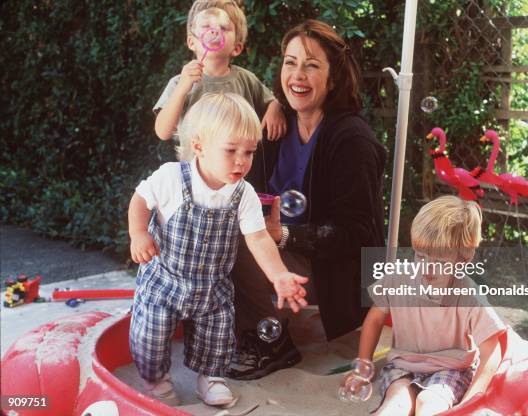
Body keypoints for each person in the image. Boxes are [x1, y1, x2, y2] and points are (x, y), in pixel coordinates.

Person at [228, 19, 386, 380]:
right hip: (294, 258)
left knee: (239, 245)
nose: (297, 74)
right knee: (219, 231)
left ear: (333, 78)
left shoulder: (352, 141)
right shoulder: (276, 127)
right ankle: (246, 327)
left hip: (345, 271)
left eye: (312, 65)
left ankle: (274, 344)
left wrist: (284, 236)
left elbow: (357, 233)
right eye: (290, 61)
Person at [128, 93, 308, 406]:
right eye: (231, 150)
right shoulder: (172, 177)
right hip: (164, 283)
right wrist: (139, 233)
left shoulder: (244, 194)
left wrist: (279, 274)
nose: (242, 160)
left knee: (217, 335)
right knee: (150, 338)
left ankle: (210, 378)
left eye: (250, 152)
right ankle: (156, 381)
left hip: (211, 288)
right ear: (199, 146)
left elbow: (259, 239)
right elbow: (140, 200)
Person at [349, 195, 505, 416]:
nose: (428, 269)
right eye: (420, 256)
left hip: (450, 370)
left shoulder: (469, 295)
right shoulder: (397, 279)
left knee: (429, 404)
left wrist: (471, 401)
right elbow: (375, 319)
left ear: (463, 260)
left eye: (440, 263)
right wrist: (362, 367)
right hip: (403, 366)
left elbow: (491, 351)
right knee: (396, 405)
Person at [153, 0, 286, 155]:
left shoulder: (246, 80)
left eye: (224, 27)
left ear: (237, 48)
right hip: (195, 173)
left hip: (237, 171)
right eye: (206, 26)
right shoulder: (179, 82)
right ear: (191, 42)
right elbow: (163, 132)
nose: (214, 31)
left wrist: (275, 107)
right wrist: (182, 89)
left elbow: (273, 101)